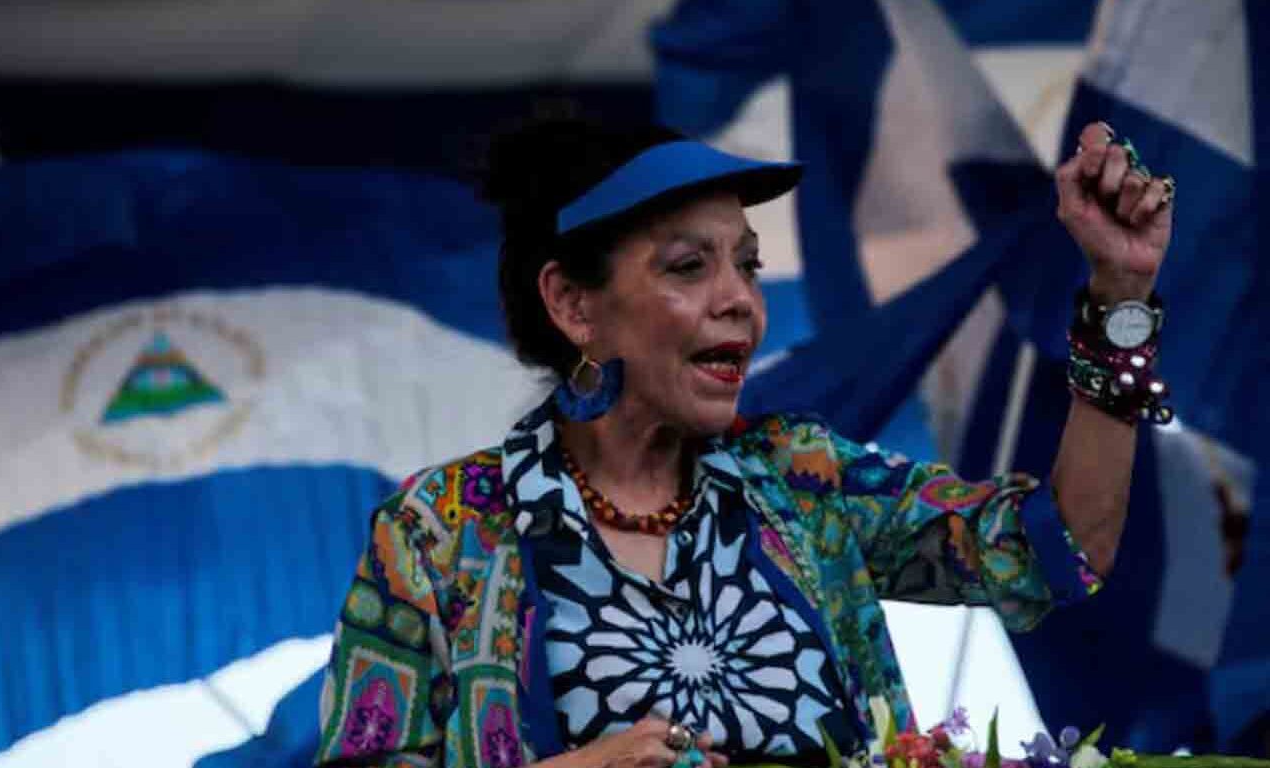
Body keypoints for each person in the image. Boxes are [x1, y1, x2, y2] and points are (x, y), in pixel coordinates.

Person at [313, 118, 1176, 768]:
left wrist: (1121, 294)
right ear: (574, 305)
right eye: (690, 267)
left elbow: (1062, 546)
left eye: (748, 265)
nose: (742, 302)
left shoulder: (804, 481)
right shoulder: (438, 531)